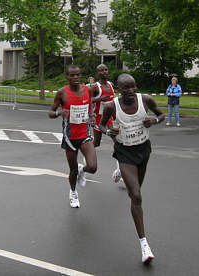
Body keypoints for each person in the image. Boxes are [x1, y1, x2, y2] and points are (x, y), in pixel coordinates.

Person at [99, 73, 165, 264]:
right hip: (125, 152)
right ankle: (144, 245)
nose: (130, 91)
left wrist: (154, 121)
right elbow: (102, 126)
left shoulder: (145, 100)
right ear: (119, 89)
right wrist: (108, 131)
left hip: (143, 150)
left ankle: (123, 175)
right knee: (136, 196)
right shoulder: (112, 106)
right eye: (126, 88)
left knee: (136, 192)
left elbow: (161, 115)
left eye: (133, 87)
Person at [49, 65, 97, 208]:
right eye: (72, 75)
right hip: (69, 137)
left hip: (84, 134)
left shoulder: (87, 90)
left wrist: (92, 116)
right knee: (73, 170)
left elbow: (90, 107)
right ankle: (73, 192)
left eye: (78, 75)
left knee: (93, 167)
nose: (75, 78)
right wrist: (59, 113)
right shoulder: (62, 93)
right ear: (67, 77)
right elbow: (50, 112)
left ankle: (83, 170)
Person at [91, 64, 115, 147]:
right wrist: (100, 99)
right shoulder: (95, 87)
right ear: (98, 73)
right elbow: (88, 101)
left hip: (109, 117)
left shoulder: (111, 84)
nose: (104, 72)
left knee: (115, 137)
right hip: (98, 118)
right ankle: (87, 154)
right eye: (101, 70)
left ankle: (122, 158)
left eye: (106, 69)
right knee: (96, 143)